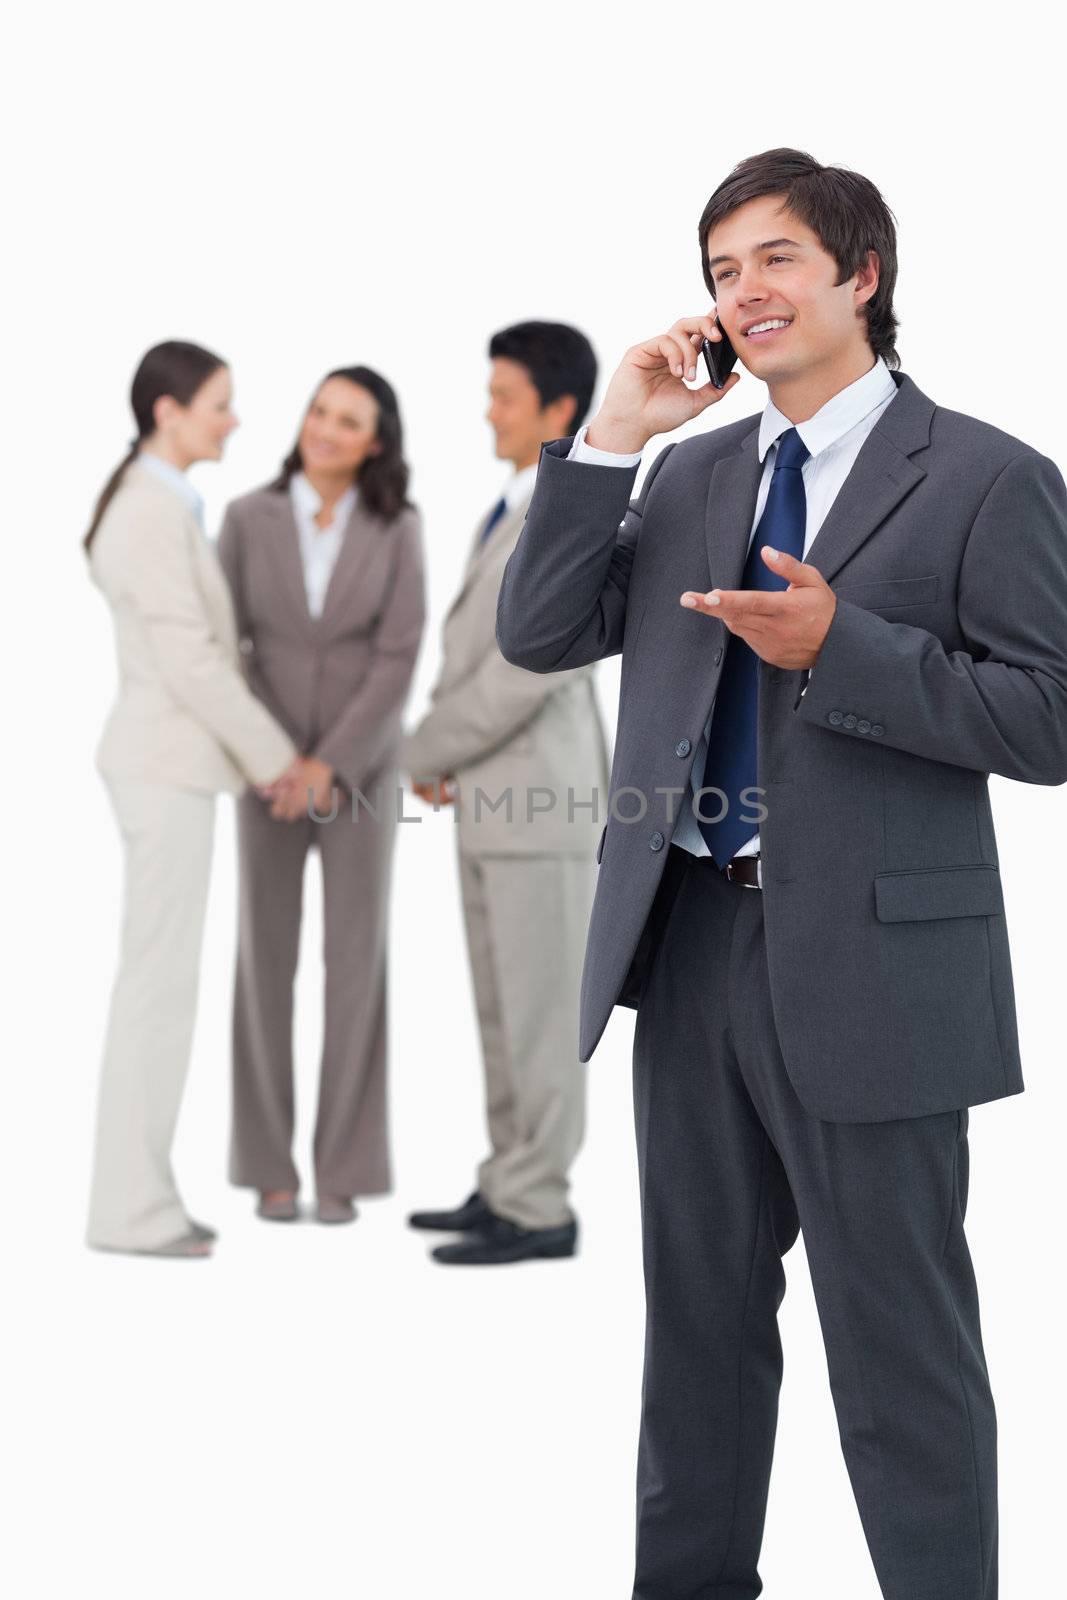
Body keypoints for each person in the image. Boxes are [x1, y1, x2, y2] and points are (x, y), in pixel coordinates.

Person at [497, 148, 1067, 1598]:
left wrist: (847, 653)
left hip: (876, 970)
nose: (740, 292)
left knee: (898, 1353)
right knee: (692, 1336)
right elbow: (543, 633)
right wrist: (611, 438)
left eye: (771, 260)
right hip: (685, 948)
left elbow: (1047, 719)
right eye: (717, 271)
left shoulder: (989, 478)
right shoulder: (689, 474)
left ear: (858, 276)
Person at [86, 341, 299, 1259]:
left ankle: (139, 1197)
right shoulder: (145, 512)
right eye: (219, 402)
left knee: (158, 989)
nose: (233, 418)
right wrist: (276, 758)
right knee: (156, 994)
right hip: (165, 767)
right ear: (168, 412)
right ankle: (131, 1210)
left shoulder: (161, 503)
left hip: (171, 767)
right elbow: (191, 660)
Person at [404, 321, 608, 1266]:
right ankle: (506, 1182)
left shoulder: (559, 519)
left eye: (503, 396)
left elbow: (522, 676)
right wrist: (446, 758)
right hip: (492, 802)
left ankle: (541, 1208)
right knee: (499, 1012)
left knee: (536, 1016)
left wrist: (419, 751)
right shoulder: (509, 502)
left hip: (541, 807)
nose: (487, 410)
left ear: (557, 410)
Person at [218, 367, 424, 1225]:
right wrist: (272, 758)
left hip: (363, 770)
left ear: (375, 441)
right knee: (263, 961)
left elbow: (398, 655)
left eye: (348, 421)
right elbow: (223, 642)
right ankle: (267, 1164)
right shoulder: (247, 518)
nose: (326, 430)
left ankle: (343, 1165)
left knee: (354, 963)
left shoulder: (397, 525)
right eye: (318, 412)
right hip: (263, 770)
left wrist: (328, 766)